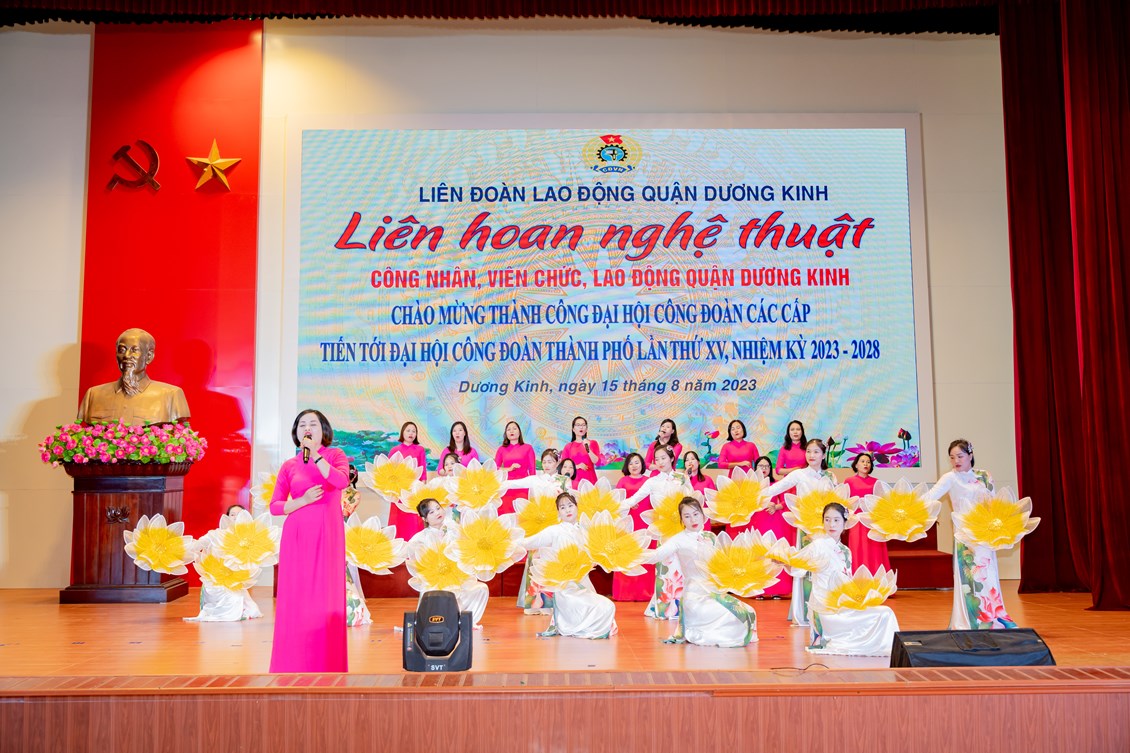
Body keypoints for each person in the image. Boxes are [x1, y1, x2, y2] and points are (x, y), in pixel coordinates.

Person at [269, 409, 349, 673]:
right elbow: (275, 506)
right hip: (297, 537)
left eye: (313, 424)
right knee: (296, 597)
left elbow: (340, 481)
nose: (307, 428)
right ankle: (292, 662)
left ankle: (326, 662)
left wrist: (315, 455)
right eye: (302, 424)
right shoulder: (289, 465)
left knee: (324, 597)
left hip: (327, 535)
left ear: (323, 430)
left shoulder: (335, 456)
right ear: (296, 432)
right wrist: (301, 501)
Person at [924, 439, 1017, 630]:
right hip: (964, 535)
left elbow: (994, 502)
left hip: (985, 533)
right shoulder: (950, 478)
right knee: (971, 578)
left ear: (970, 455)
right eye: (952, 457)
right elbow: (929, 497)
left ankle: (995, 617)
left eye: (960, 456)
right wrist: (908, 506)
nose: (956, 461)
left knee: (989, 575)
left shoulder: (984, 476)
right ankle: (971, 621)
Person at [644, 498, 757, 647]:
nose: (693, 520)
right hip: (694, 597)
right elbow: (655, 556)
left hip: (714, 592)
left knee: (749, 611)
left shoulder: (710, 537)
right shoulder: (678, 540)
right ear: (682, 520)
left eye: (696, 514)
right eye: (687, 516)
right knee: (730, 616)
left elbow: (724, 562)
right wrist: (631, 555)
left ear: (703, 515)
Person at [803, 502, 900, 656]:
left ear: (845, 523)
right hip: (826, 606)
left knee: (886, 612)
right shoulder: (817, 545)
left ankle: (885, 646)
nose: (831, 524)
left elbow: (847, 580)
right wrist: (784, 562)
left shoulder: (846, 550)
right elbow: (799, 566)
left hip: (843, 602)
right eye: (827, 520)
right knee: (884, 614)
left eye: (836, 520)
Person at [517, 492, 617, 640]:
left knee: (607, 607)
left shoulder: (585, 530)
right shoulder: (554, 530)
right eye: (562, 507)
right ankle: (576, 626)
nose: (567, 510)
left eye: (570, 505)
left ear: (577, 507)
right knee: (599, 607)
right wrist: (509, 542)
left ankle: (586, 626)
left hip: (583, 582)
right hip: (564, 587)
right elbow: (529, 542)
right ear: (558, 512)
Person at [760, 438, 837, 625]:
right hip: (806, 527)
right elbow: (775, 488)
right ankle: (804, 612)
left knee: (825, 566)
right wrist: (754, 495)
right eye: (808, 451)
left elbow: (836, 500)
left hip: (826, 528)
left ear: (823, 455)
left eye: (816, 452)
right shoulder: (799, 474)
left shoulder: (830, 477)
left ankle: (825, 610)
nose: (811, 455)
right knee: (806, 568)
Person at [623, 446, 691, 619]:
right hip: (663, 528)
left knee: (682, 566)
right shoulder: (652, 481)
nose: (660, 462)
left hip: (681, 527)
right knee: (666, 565)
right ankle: (664, 607)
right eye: (657, 459)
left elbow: (690, 501)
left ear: (672, 458)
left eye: (663, 458)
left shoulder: (682, 478)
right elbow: (633, 499)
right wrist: (613, 506)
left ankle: (683, 606)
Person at [76, 328, 190, 426]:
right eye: (122, 350)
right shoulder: (94, 395)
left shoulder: (170, 395)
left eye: (134, 350)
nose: (126, 356)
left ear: (149, 356)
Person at [407, 498, 489, 627]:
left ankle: (466, 622)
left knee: (481, 589)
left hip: (457, 576)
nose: (437, 512)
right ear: (424, 519)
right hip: (436, 580)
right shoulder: (420, 539)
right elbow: (416, 561)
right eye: (431, 512)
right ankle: (441, 621)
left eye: (438, 508)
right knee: (444, 594)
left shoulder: (454, 529)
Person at [184, 505, 262, 623]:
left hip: (233, 580)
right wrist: (181, 548)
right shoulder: (215, 534)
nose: (235, 517)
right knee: (232, 602)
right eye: (232, 515)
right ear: (227, 517)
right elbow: (198, 545)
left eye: (239, 514)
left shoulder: (249, 539)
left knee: (249, 607)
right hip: (215, 581)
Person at [513, 448, 567, 615]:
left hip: (555, 524)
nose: (547, 465)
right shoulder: (535, 479)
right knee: (535, 559)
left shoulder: (564, 481)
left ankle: (550, 603)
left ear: (557, 463)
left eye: (550, 461)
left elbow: (568, 503)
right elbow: (514, 483)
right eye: (544, 462)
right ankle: (532, 603)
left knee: (551, 560)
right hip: (537, 524)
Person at [744, 456, 793, 598]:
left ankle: (777, 590)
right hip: (757, 521)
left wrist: (776, 506)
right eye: (760, 466)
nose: (763, 469)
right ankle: (759, 590)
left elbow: (786, 500)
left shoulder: (777, 484)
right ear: (756, 468)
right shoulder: (751, 485)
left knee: (775, 553)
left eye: (766, 466)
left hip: (774, 521)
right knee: (758, 554)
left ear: (770, 469)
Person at [613, 452, 651, 601]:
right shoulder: (623, 481)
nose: (634, 466)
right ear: (626, 466)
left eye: (637, 462)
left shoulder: (649, 481)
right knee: (627, 555)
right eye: (630, 463)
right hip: (627, 523)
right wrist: (628, 504)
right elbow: (616, 502)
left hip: (645, 522)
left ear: (642, 464)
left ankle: (645, 593)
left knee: (644, 555)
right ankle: (625, 593)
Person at [844, 452, 890, 574]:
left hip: (873, 521)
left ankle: (877, 579)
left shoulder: (876, 482)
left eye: (868, 462)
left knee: (875, 550)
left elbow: (881, 502)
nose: (866, 464)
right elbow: (845, 501)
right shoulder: (849, 481)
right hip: (856, 521)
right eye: (863, 461)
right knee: (857, 548)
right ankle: (858, 579)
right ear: (856, 464)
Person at [388, 421, 429, 539]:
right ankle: (398, 541)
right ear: (403, 433)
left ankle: (415, 541)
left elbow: (422, 470)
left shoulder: (420, 450)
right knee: (398, 516)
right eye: (408, 430)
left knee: (413, 515)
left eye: (414, 431)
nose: (411, 433)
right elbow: (389, 471)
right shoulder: (394, 450)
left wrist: (421, 487)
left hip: (413, 489)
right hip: (398, 490)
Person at [342, 464, 371, 627]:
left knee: (349, 562)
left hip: (346, 526)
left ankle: (353, 594)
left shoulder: (355, 493)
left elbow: (346, 511)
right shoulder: (332, 490)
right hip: (331, 524)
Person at [495, 421, 537, 516]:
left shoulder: (528, 448)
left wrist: (533, 487)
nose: (511, 431)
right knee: (505, 513)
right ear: (506, 434)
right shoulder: (501, 449)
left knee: (522, 514)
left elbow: (532, 470)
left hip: (523, 486)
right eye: (508, 429)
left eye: (514, 428)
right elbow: (495, 468)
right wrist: (509, 469)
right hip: (507, 486)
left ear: (519, 432)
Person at [560, 415, 601, 486]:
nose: (581, 427)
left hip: (591, 482)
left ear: (586, 429)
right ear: (573, 429)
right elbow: (562, 467)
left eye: (583, 425)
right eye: (578, 425)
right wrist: (577, 466)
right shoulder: (568, 446)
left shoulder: (593, 443)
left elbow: (597, 462)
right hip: (575, 482)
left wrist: (587, 448)